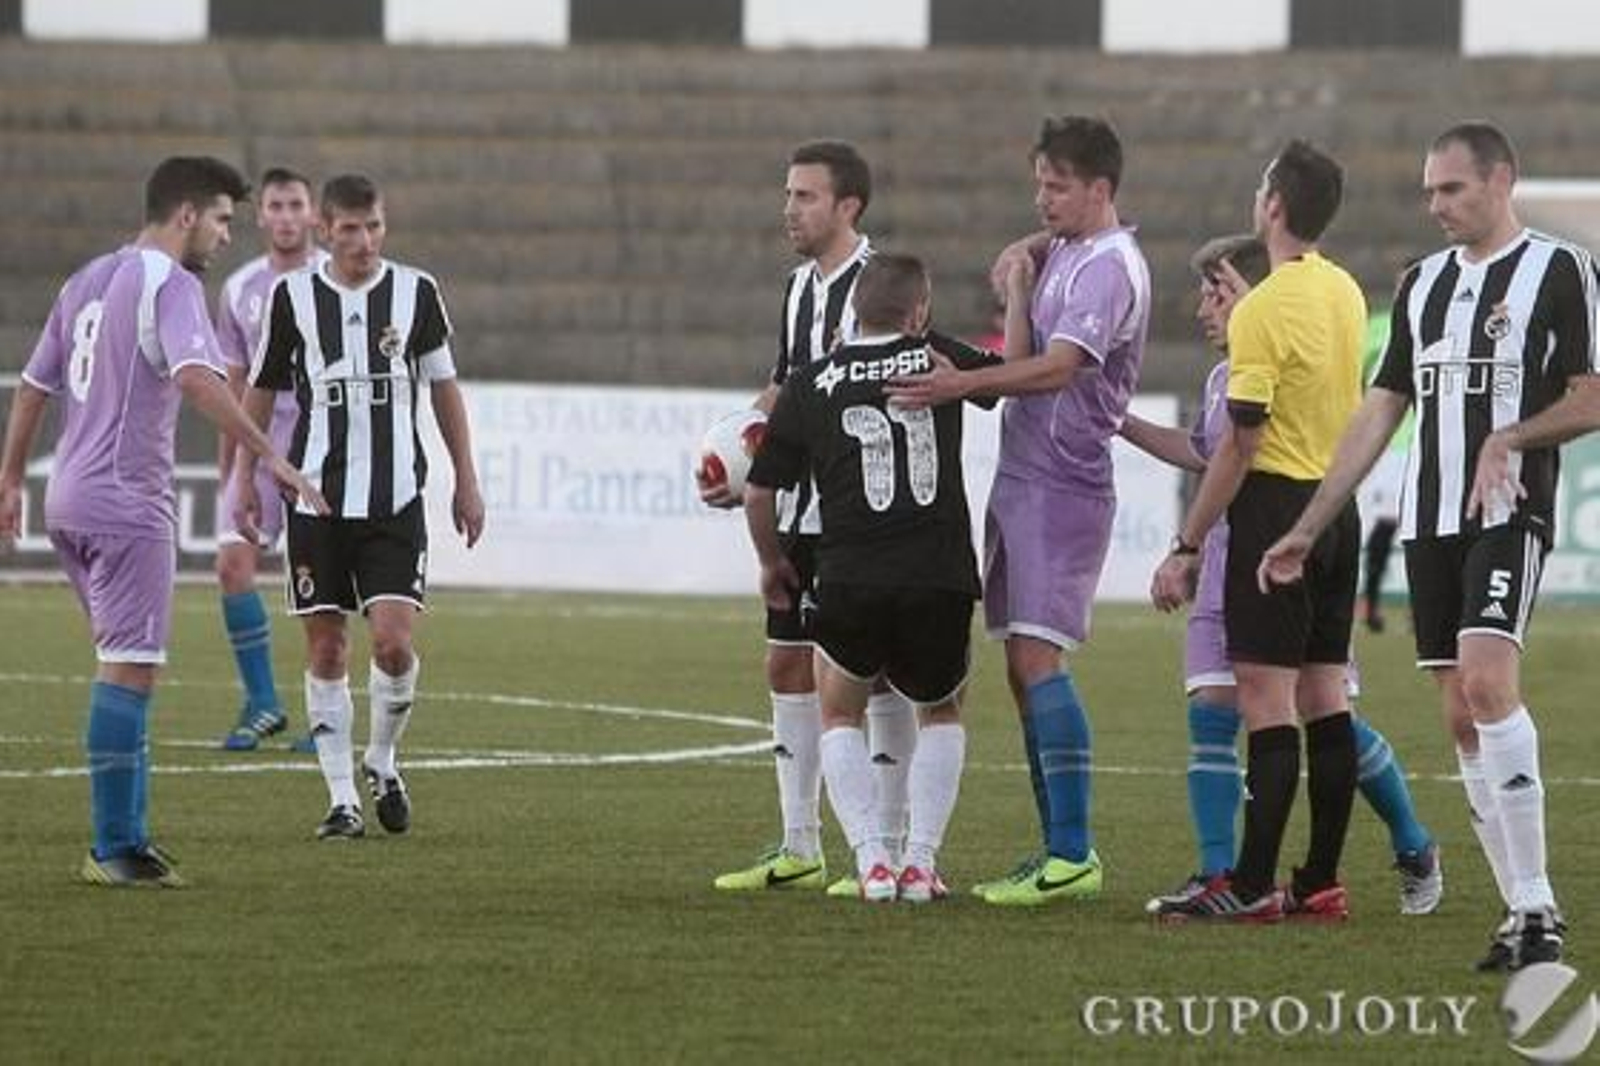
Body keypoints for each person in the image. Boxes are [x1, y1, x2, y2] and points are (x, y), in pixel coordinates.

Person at [1259, 122, 1600, 967]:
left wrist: (1511, 438)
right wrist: (1308, 524)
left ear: (1501, 180)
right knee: (1459, 715)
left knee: (1488, 683)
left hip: (1506, 510)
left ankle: (1540, 904)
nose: (1435, 205)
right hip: (1430, 522)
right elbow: (1381, 408)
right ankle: (1520, 914)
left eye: (1451, 189)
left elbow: (1593, 396)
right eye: (1427, 192)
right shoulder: (1422, 286)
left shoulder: (1561, 271)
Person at [0, 156, 325, 886]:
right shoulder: (171, 283)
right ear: (186, 215)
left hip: (69, 501)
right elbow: (196, 378)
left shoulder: (84, 279)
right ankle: (116, 848)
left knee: (124, 665)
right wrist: (268, 453)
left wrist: (12, 478)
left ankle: (130, 839)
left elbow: (32, 386)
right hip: (126, 503)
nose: (222, 235)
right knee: (128, 671)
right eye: (220, 220)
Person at [1122, 234, 1442, 919]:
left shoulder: (1289, 352)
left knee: (1320, 711)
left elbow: (1243, 452)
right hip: (1228, 558)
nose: (1205, 307)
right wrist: (1121, 423)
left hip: (1278, 539)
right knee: (1212, 710)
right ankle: (1223, 872)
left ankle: (1410, 839)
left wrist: (1185, 544)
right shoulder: (1221, 378)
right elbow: (1208, 454)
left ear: (1255, 293)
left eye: (1217, 291)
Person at [886, 115, 1151, 906]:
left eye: (1057, 186)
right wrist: (1021, 279)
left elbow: (1060, 369)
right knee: (1020, 662)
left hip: (1066, 484)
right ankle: (1056, 851)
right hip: (1024, 476)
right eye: (1038, 183)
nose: (1042, 199)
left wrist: (960, 385)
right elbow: (1023, 349)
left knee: (1040, 659)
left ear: (1100, 189)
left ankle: (1073, 853)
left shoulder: (1111, 267)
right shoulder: (1068, 252)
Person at [1148, 140, 1366, 923]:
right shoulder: (1343, 289)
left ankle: (1248, 885)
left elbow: (1241, 442)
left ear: (1272, 205)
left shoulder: (1262, 313)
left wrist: (1187, 545)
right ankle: (1320, 881)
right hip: (1337, 509)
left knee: (1266, 702)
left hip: (1276, 512)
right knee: (1326, 698)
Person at [237, 173, 486, 841]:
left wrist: (467, 478)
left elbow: (443, 389)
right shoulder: (291, 298)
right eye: (350, 228)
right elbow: (258, 392)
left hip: (394, 497)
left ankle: (382, 757)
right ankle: (342, 798)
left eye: (374, 226)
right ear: (326, 230)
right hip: (315, 498)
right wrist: (244, 476)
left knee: (393, 641)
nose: (365, 241)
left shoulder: (416, 291)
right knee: (326, 647)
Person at [745, 253, 1001, 901]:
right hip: (939, 573)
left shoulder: (812, 379)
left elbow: (759, 492)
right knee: (940, 711)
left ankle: (870, 862)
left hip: (851, 570)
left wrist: (774, 562)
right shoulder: (937, 355)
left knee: (839, 713)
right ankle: (920, 862)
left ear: (853, 310)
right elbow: (1009, 377)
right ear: (919, 311)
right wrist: (1019, 294)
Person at [706, 141, 919, 895]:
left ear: (848, 207)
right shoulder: (798, 289)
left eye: (805, 196)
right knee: (786, 662)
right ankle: (801, 847)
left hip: (862, 514)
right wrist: (737, 451)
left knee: (879, 678)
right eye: (788, 194)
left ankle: (893, 849)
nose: (788, 208)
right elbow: (783, 386)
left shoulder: (883, 287)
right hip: (797, 507)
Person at [214, 167, 323, 752]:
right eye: (275, 206)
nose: (284, 216)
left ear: (313, 214)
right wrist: (231, 467)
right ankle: (262, 703)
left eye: (295, 205)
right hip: (256, 453)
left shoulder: (334, 280)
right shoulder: (240, 289)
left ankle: (323, 714)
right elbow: (231, 384)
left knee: (315, 585)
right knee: (232, 568)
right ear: (261, 216)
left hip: (315, 454)